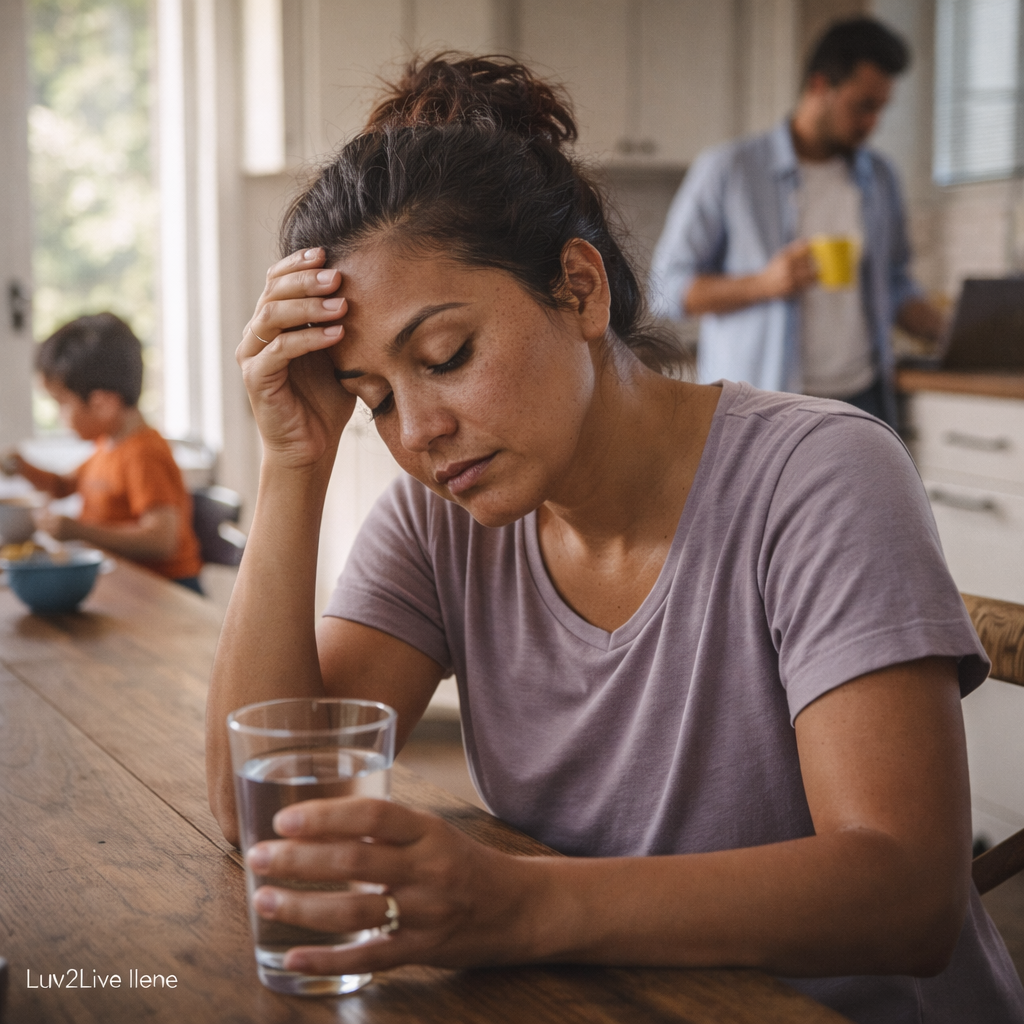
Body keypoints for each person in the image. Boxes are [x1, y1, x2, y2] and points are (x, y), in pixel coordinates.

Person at [206, 56, 1024, 1024]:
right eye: (374, 398)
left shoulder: (819, 474)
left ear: (580, 290)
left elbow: (908, 896)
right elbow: (256, 802)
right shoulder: (444, 516)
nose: (416, 431)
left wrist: (516, 906)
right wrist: (292, 463)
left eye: (446, 355)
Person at [648, 16, 945, 427]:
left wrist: (951, 332)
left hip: (862, 400)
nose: (873, 123)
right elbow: (664, 289)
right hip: (762, 409)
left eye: (881, 109)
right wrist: (765, 284)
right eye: (864, 106)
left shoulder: (880, 177)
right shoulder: (729, 169)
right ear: (820, 86)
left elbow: (894, 283)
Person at [1, 313, 204, 592]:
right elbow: (63, 486)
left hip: (166, 591)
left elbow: (161, 540)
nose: (60, 416)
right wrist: (21, 466)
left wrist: (77, 531)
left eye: (61, 403)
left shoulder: (143, 454)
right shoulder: (108, 445)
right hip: (127, 584)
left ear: (102, 404)